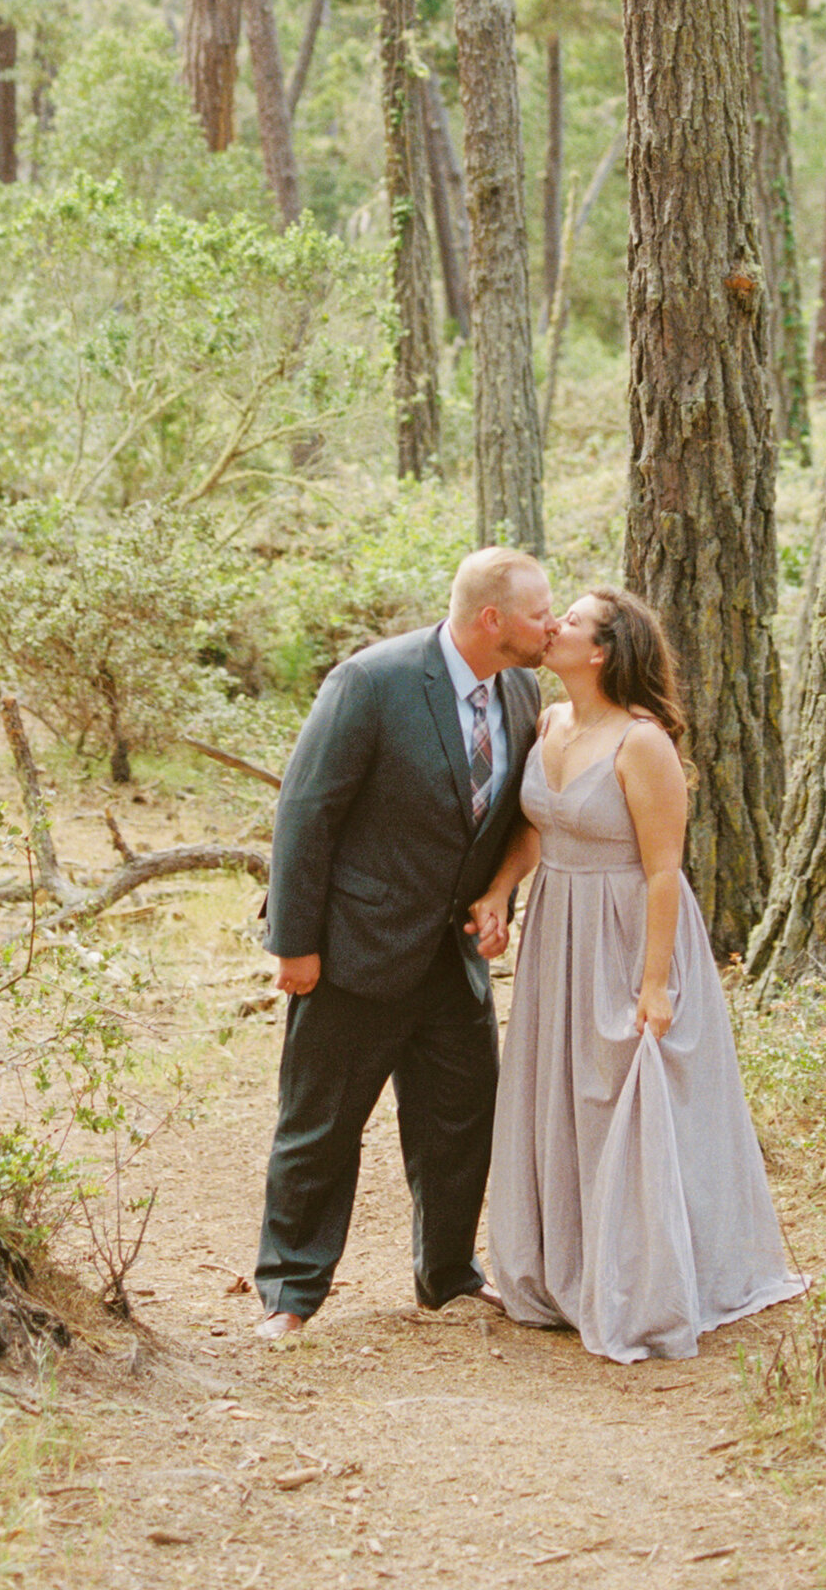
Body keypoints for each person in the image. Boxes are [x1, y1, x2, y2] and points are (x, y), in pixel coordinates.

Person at [474, 587, 803, 1364]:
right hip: (557, 929)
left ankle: (641, 1282)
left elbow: (663, 873)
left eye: (573, 622)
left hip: (627, 931)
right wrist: (497, 891)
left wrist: (654, 983)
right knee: (562, 1095)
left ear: (602, 653)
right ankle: (565, 1271)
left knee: (622, 1092)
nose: (553, 626)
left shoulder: (640, 743)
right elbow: (534, 826)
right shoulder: (550, 721)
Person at [252, 544, 556, 1341]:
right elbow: (305, 813)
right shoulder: (372, 681)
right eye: (537, 612)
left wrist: (499, 900)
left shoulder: (522, 688)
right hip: (354, 951)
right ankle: (290, 1290)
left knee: (460, 1121)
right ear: (492, 618)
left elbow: (506, 813)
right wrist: (294, 944)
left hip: (453, 961)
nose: (549, 626)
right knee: (320, 1124)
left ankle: (448, 1275)